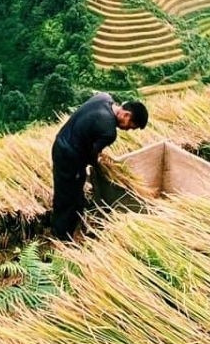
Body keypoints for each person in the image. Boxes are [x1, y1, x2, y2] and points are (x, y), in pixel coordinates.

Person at [51, 92, 148, 237]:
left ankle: (67, 222)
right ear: (126, 115)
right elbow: (91, 156)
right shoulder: (109, 131)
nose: (128, 130)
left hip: (60, 143)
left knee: (73, 190)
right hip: (69, 158)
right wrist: (100, 166)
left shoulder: (103, 97)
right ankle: (61, 237)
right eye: (131, 126)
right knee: (67, 197)